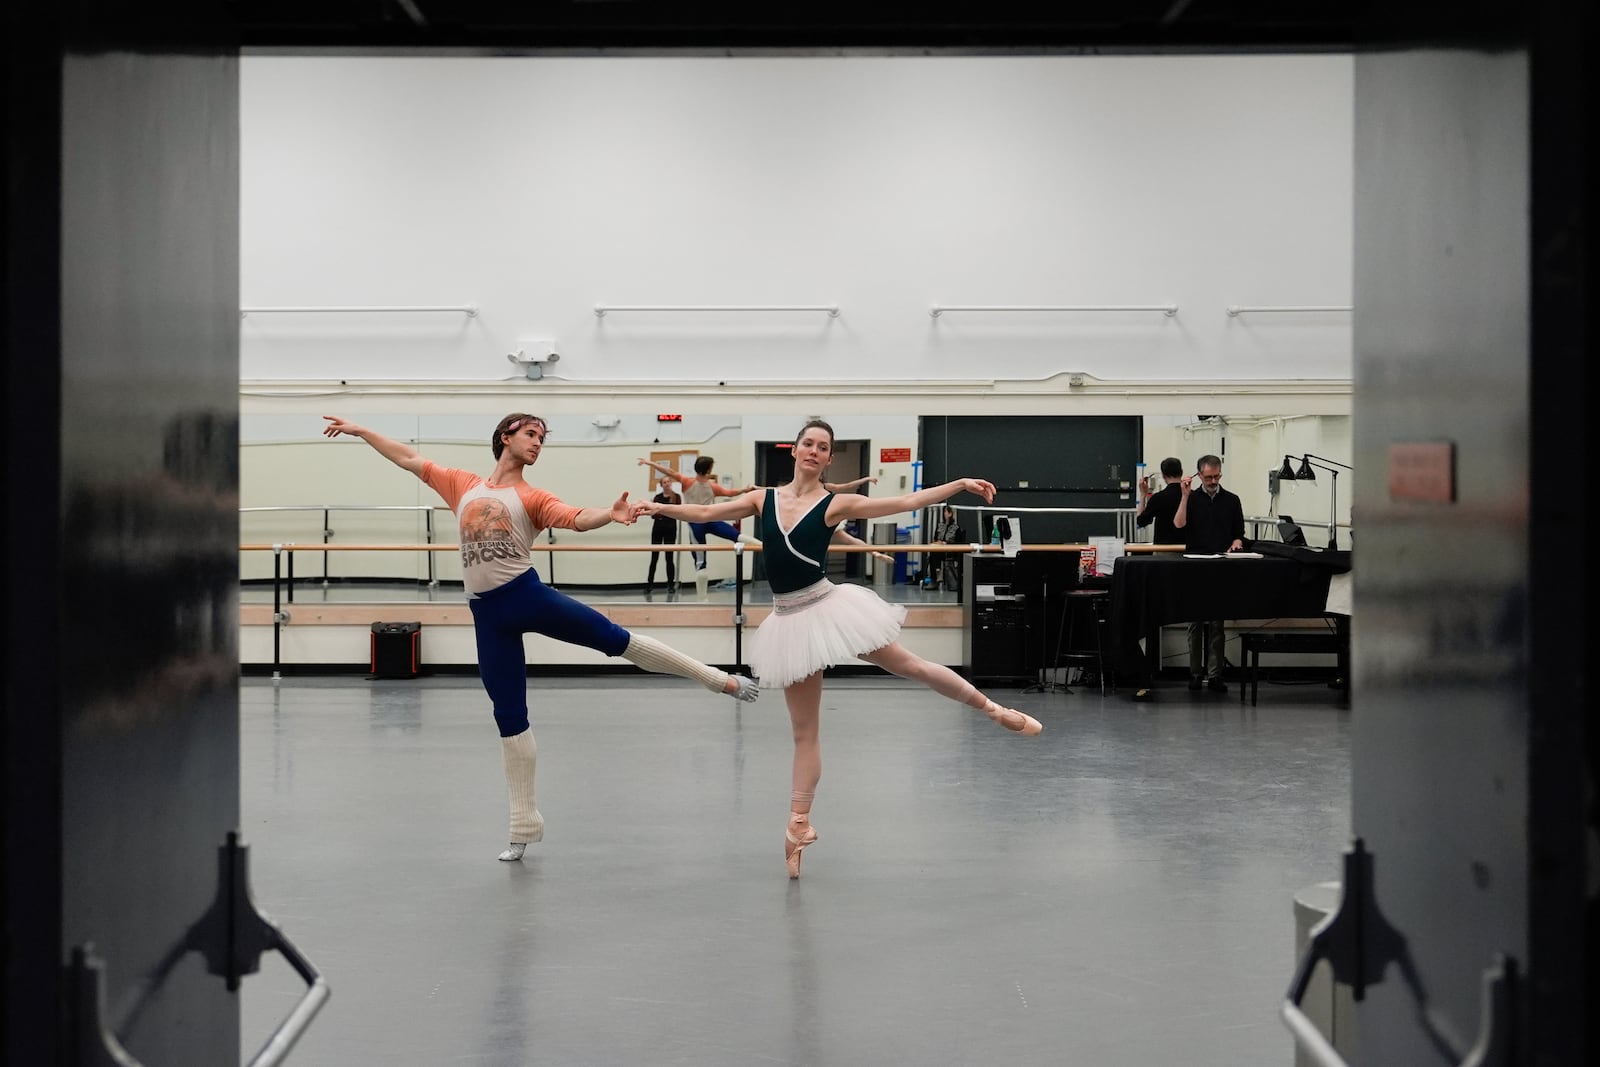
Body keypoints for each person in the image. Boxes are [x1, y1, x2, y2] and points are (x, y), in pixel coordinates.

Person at [322, 414, 759, 863]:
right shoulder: (462, 485)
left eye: (542, 438)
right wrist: (360, 431)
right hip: (487, 617)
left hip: (528, 596)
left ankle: (716, 679)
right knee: (509, 717)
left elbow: (575, 518)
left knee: (614, 639)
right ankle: (523, 825)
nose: (537, 443)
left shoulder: (531, 497)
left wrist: (609, 514)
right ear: (505, 437)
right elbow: (408, 458)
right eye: (530, 434)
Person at [633, 419, 1042, 879]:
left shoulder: (835, 503)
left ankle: (992, 709)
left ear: (829, 458)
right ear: (795, 450)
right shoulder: (760, 498)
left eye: (822, 446)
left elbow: (904, 501)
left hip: (831, 608)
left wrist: (960, 484)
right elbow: (707, 514)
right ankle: (796, 827)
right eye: (807, 443)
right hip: (790, 623)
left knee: (911, 665)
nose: (813, 450)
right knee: (804, 733)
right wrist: (655, 507)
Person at [1173, 453, 1246, 694]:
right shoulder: (1191, 499)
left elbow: (1239, 531)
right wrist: (1184, 497)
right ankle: (1195, 673)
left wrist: (1236, 542)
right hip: (1195, 565)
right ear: (1199, 475)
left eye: (1217, 476)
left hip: (1220, 565)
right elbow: (1179, 525)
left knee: (1217, 624)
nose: (1213, 481)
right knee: (1195, 623)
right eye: (1208, 477)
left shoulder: (1232, 500)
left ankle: (1215, 675)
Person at [638, 456, 756, 598]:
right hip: (711, 520)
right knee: (737, 536)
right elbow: (730, 493)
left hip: (696, 524)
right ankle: (764, 545)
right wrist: (746, 489)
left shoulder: (687, 482)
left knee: (701, 563)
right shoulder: (713, 486)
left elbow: (669, 471)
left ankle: (703, 599)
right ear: (708, 470)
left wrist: (650, 462)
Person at [644, 475, 681, 596]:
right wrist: (664, 513)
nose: (667, 483)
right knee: (654, 557)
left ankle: (670, 585)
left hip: (670, 529)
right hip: (658, 529)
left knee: (669, 558)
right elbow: (654, 515)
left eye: (668, 481)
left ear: (671, 483)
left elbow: (678, 512)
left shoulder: (676, 497)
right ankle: (649, 585)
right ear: (661, 485)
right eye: (664, 482)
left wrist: (662, 512)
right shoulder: (657, 497)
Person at [1135, 457, 1185, 546]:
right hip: (1188, 549)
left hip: (1164, 550)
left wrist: (1143, 495)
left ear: (1163, 475)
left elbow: (1141, 521)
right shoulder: (1194, 496)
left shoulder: (1158, 498)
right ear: (1181, 472)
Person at [931, 504, 968, 591]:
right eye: (944, 511)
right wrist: (937, 542)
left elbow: (959, 543)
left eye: (946, 512)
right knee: (933, 554)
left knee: (936, 554)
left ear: (951, 513)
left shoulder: (956, 528)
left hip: (951, 551)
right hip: (939, 549)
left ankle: (939, 576)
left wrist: (946, 543)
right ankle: (936, 577)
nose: (945, 514)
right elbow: (935, 538)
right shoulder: (940, 525)